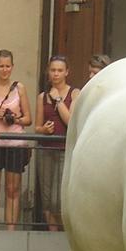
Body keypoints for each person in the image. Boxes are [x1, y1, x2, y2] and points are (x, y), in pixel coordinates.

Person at [0, 48, 33, 229]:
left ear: (12, 67)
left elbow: (28, 119)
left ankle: (11, 232)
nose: (4, 70)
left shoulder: (20, 88)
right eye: (1, 66)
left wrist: (13, 118)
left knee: (13, 189)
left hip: (15, 143)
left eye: (8, 66)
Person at [35, 54, 78, 230]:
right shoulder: (42, 97)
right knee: (46, 198)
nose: (56, 74)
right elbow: (36, 127)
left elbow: (71, 120)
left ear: (67, 72)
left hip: (64, 149)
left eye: (60, 70)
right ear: (48, 72)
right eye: (53, 70)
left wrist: (58, 100)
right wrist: (44, 130)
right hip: (46, 149)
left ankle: (63, 234)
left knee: (58, 199)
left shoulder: (74, 92)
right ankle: (52, 234)